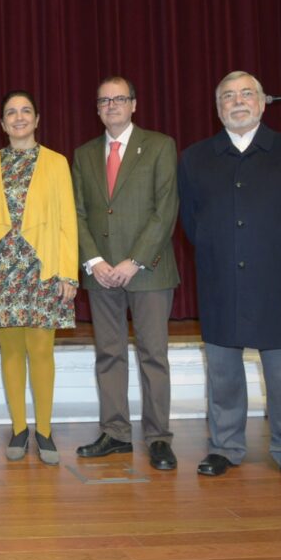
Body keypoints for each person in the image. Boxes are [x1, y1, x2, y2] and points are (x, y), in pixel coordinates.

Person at [178, 71, 281, 487]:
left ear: (262, 103)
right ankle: (225, 446)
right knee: (223, 371)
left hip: (277, 280)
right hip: (220, 279)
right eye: (228, 96)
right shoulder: (195, 158)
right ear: (218, 108)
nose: (238, 101)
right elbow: (191, 221)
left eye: (247, 94)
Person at [72, 76, 180, 471]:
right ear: (97, 109)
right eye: (104, 101)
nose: (112, 106)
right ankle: (115, 433)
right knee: (109, 354)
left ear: (134, 104)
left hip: (148, 271)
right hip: (101, 274)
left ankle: (158, 437)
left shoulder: (160, 146)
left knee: (154, 355)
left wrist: (134, 260)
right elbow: (77, 213)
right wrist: (94, 260)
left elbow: (165, 209)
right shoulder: (83, 154)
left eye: (119, 99)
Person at [0, 91, 78, 465]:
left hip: (43, 268)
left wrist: (68, 273)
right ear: (2, 124)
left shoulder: (56, 162)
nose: (18, 118)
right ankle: (19, 428)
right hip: (2, 269)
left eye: (25, 111)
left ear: (36, 120)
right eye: (11, 113)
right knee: (11, 352)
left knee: (41, 351)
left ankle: (45, 431)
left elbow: (67, 219)